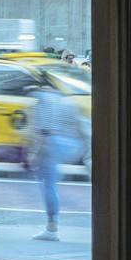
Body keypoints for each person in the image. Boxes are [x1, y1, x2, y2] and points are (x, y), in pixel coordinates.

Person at [22, 82, 87, 240]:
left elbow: (43, 131)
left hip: (52, 144)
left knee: (47, 184)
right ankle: (52, 226)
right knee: (50, 182)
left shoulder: (40, 101)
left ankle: (52, 228)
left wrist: (32, 154)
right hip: (71, 145)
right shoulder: (66, 101)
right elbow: (79, 127)